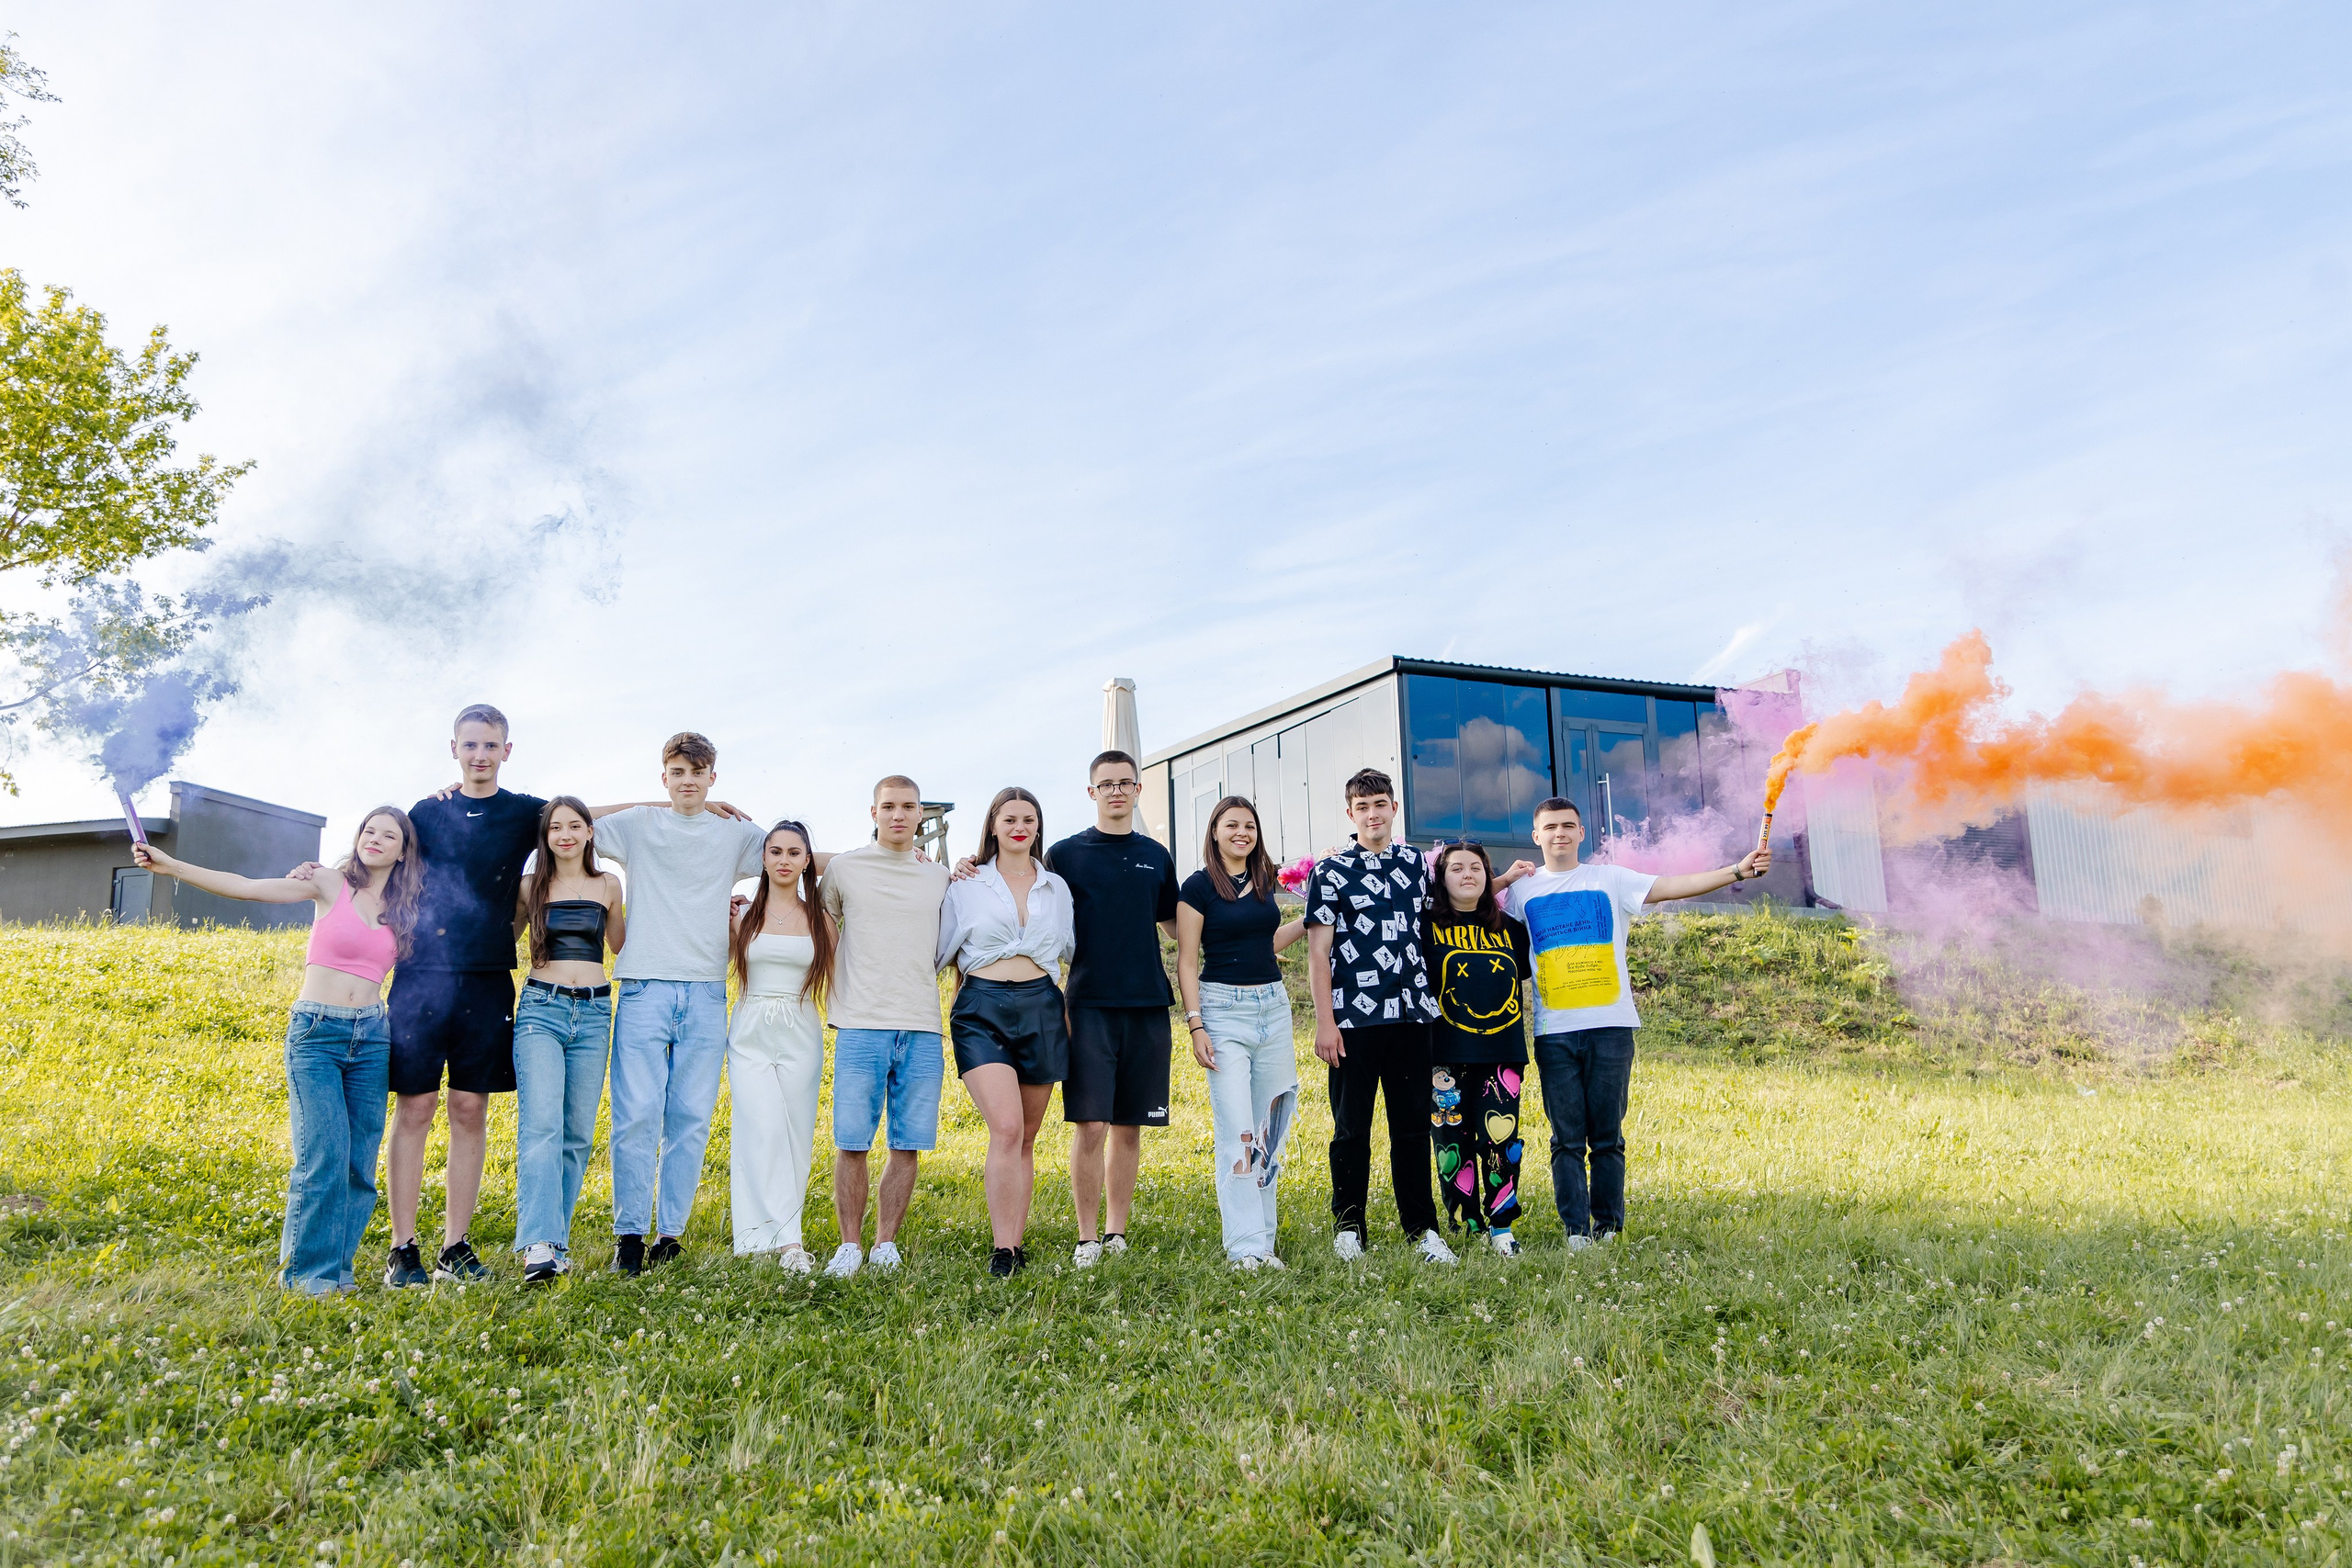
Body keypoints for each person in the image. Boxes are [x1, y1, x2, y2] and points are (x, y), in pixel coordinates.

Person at [132, 808, 424, 1295]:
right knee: (324, 1155)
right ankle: (307, 1276)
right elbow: (247, 887)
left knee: (358, 1164)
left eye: (388, 835)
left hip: (373, 1037)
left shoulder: (405, 907)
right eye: (369, 830)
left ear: (403, 850)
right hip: (317, 1032)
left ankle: (338, 1270)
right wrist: (171, 865)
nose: (374, 839)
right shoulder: (328, 883)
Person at [1499, 798, 1770, 1248]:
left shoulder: (1611, 878)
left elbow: (1675, 885)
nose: (1559, 833)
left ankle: (1607, 1228)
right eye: (1550, 827)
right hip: (1553, 1032)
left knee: (1607, 1137)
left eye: (1568, 825)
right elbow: (1466, 899)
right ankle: (1576, 1232)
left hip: (1611, 1028)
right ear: (1536, 836)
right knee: (1566, 1139)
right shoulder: (1521, 893)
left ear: (1581, 833)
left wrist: (1736, 871)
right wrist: (1504, 879)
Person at [593, 732, 772, 1274]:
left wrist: (897, 853)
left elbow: (795, 854)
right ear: (664, 776)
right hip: (644, 986)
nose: (688, 782)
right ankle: (629, 1235)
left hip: (706, 990)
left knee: (691, 1117)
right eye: (677, 773)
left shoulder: (734, 833)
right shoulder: (638, 825)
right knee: (636, 1115)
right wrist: (656, 802)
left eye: (698, 773)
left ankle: (670, 1234)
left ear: (713, 777)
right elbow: (567, 817)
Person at [1306, 767, 1456, 1266]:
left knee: (1412, 1129)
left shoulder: (1415, 863)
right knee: (1351, 1129)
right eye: (1363, 807)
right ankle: (1349, 1228)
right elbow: (1318, 953)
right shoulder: (1330, 871)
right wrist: (1325, 1023)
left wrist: (1504, 879)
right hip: (1354, 1020)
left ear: (1394, 808)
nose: (1373, 814)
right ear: (1351, 814)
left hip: (1413, 1016)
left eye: (1380, 805)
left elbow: (1447, 912)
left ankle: (1423, 1230)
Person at [1044, 750, 1180, 1267]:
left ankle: (1116, 1233)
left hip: (1147, 1004)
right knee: (1091, 1125)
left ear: (1138, 789)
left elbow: (1177, 925)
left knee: (1129, 1126)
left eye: (1126, 783)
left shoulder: (1156, 855)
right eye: (1107, 784)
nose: (1117, 791)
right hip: (1088, 1005)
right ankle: (1086, 1238)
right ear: (1092, 792)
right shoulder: (1064, 855)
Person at [936, 787, 1074, 1278]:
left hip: (1042, 1007)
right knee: (1008, 1128)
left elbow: (1072, 951)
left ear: (1038, 827)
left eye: (1029, 819)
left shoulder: (1056, 888)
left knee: (1027, 1136)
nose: (1020, 827)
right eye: (1010, 818)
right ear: (993, 825)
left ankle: (1015, 1244)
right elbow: (938, 952)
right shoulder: (965, 884)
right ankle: (1000, 1250)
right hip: (982, 1008)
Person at [820, 774, 951, 1278]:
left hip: (921, 1023)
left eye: (908, 806)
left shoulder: (939, 877)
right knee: (852, 1141)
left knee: (907, 1142)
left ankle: (885, 1244)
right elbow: (822, 922)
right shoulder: (845, 869)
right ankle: (849, 1246)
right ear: (873, 813)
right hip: (860, 1022)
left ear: (920, 814)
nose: (899, 814)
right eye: (889, 806)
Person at [1174, 795, 1307, 1269]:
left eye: (1249, 825)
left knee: (1271, 1129)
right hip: (1223, 1011)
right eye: (1231, 825)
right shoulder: (1197, 887)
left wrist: (1307, 920)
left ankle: (1264, 1243)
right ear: (1214, 831)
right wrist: (1196, 1024)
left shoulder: (1265, 880)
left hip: (1273, 1008)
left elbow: (1266, 942)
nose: (1241, 833)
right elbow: (1186, 960)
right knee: (1239, 1132)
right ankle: (1244, 1247)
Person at [509, 796, 627, 1285]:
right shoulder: (530, 886)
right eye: (555, 827)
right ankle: (538, 1244)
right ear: (546, 836)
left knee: (577, 1133)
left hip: (595, 1012)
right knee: (542, 1127)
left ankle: (556, 1244)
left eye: (574, 825)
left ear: (589, 832)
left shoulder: (609, 884)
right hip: (542, 1010)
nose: (565, 835)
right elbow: (502, 938)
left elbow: (621, 944)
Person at [727, 820, 837, 1274]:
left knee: (794, 1134)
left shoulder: (820, 919)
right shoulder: (741, 914)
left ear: (808, 860)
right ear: (764, 858)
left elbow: (841, 979)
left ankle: (773, 1234)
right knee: (761, 1126)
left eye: (794, 853)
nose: (784, 861)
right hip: (750, 1029)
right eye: (775, 852)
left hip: (800, 1029)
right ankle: (786, 1242)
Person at [1424, 840, 1536, 1257]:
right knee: (1451, 1142)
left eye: (1476, 868)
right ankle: (1468, 1224)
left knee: (1500, 1141)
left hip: (1501, 1055)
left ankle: (1502, 1225)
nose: (1467, 874)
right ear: (1441, 878)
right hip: (1443, 1056)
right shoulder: (1424, 926)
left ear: (1488, 876)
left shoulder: (1511, 929)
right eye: (1456, 868)